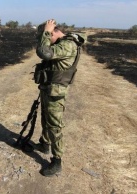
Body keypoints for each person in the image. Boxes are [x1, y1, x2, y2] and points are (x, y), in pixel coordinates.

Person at [33, 19, 85, 177]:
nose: (47, 39)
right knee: (45, 118)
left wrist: (46, 31)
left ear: (55, 31)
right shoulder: (63, 43)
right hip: (49, 88)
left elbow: (44, 52)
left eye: (49, 35)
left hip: (56, 92)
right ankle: (45, 143)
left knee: (55, 126)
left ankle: (57, 161)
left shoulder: (67, 45)